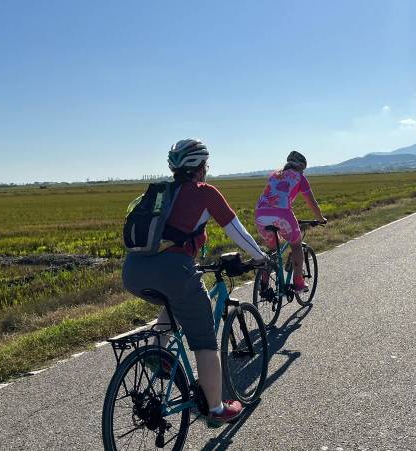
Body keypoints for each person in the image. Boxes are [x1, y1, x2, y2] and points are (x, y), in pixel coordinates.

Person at [121, 138, 268, 427]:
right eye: (206, 164)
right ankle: (215, 410)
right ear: (200, 167)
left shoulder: (160, 193)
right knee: (204, 341)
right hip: (173, 270)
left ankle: (157, 351)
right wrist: (261, 257)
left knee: (175, 302)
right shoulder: (205, 193)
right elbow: (237, 232)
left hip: (133, 272)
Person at [254, 151, 326, 292]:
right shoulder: (299, 177)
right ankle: (298, 282)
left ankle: (263, 284)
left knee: (273, 250)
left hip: (260, 215)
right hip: (282, 215)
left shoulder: (274, 174)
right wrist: (320, 219)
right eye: (303, 170)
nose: (303, 172)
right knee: (296, 245)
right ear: (300, 167)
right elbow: (312, 202)